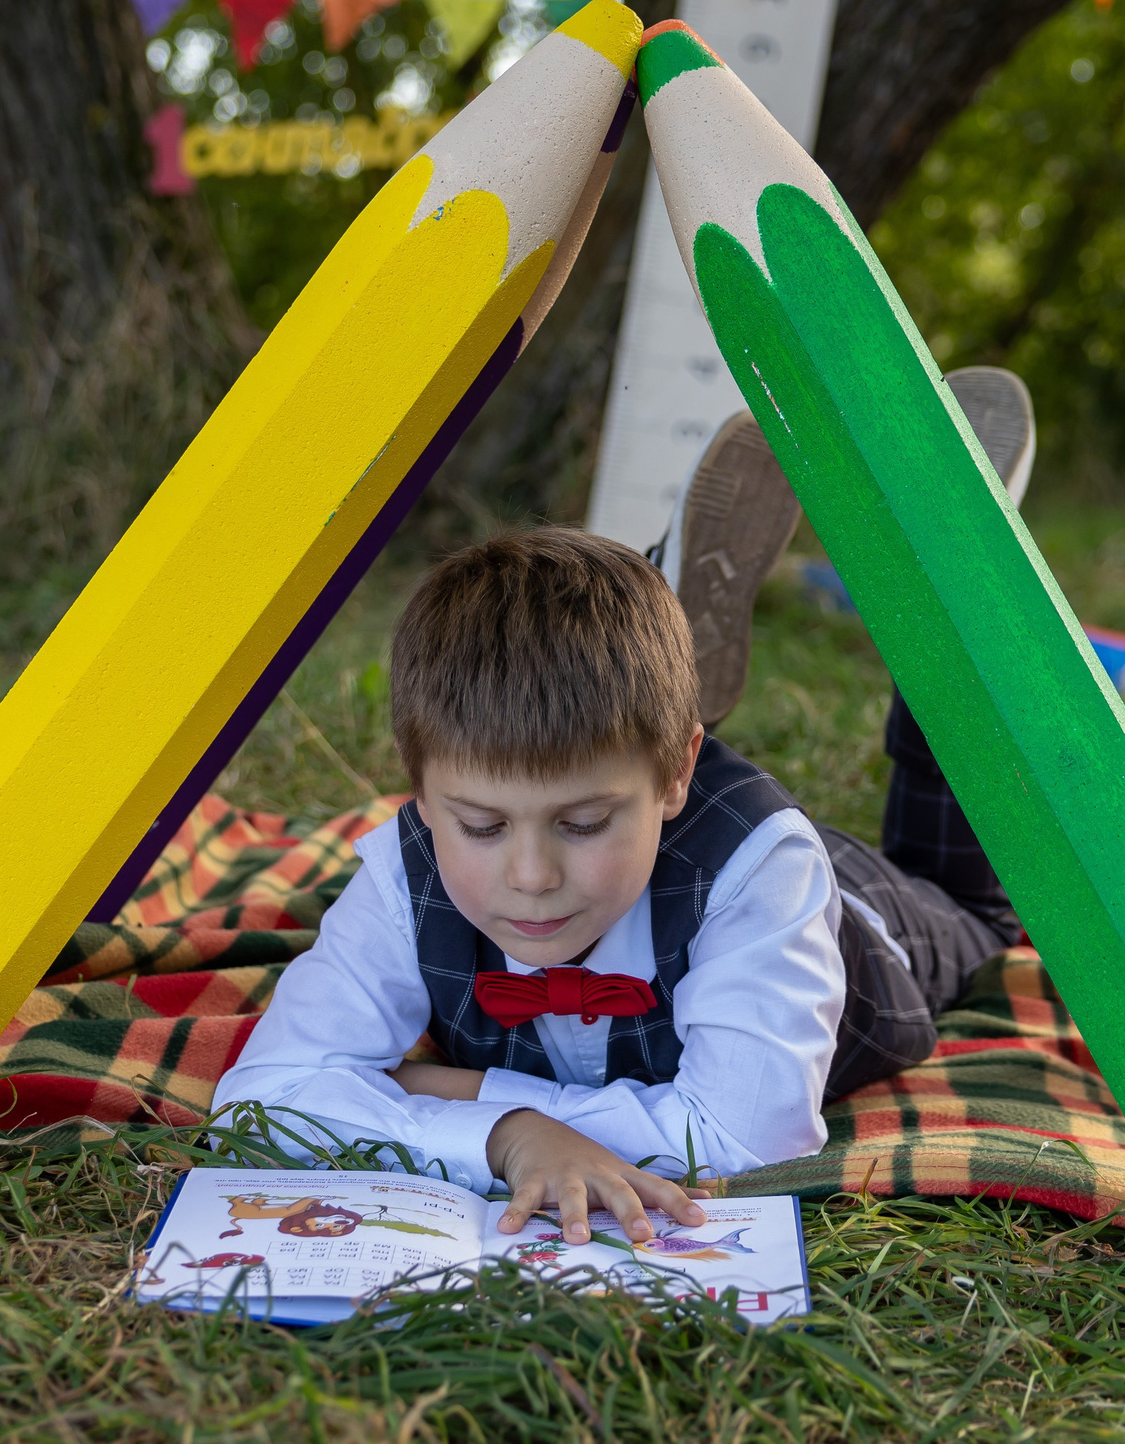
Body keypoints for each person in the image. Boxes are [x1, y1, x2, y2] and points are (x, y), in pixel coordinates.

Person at [214, 372, 1039, 1247]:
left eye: (580, 824)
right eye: (482, 826)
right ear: (419, 794)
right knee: (603, 746)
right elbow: (262, 1096)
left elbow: (743, 1137)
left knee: (982, 903)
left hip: (865, 916)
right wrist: (511, 1135)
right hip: (664, 822)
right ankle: (655, 642)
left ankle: (956, 589)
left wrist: (436, 1089)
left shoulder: (758, 865)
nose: (529, 877)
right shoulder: (404, 867)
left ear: (682, 771)